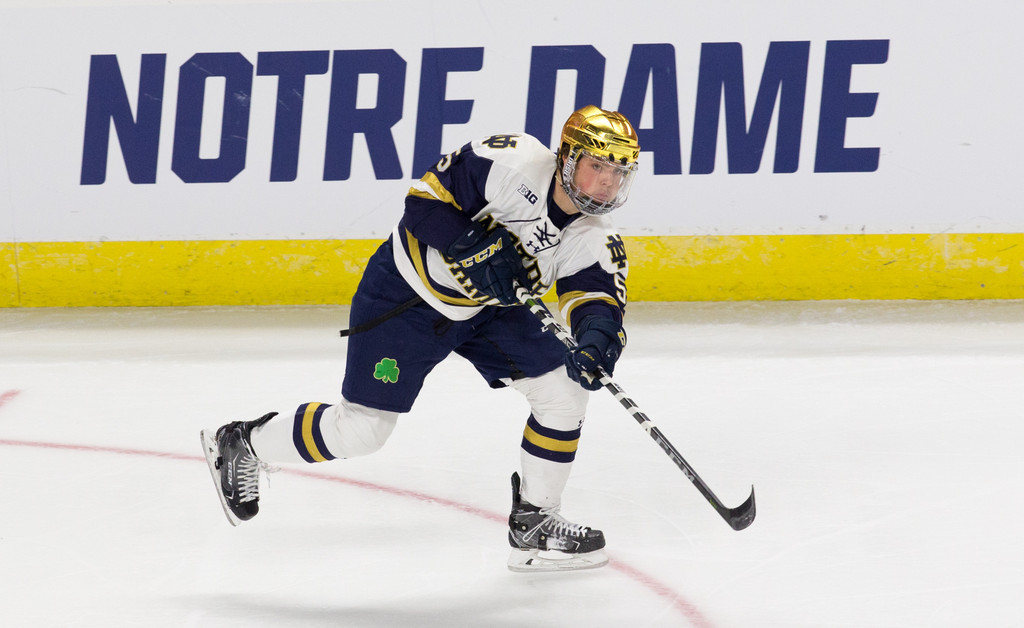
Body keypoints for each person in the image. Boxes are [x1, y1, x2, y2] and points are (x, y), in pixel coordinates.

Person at [201, 104, 640, 572]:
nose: (607, 184)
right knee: (362, 431)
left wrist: (596, 343)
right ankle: (243, 442)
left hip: (488, 313)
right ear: (568, 158)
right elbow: (422, 204)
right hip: (406, 296)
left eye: (619, 173)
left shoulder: (596, 237)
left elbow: (595, 303)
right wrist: (470, 243)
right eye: (598, 167)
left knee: (564, 393)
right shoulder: (512, 162)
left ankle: (535, 519)